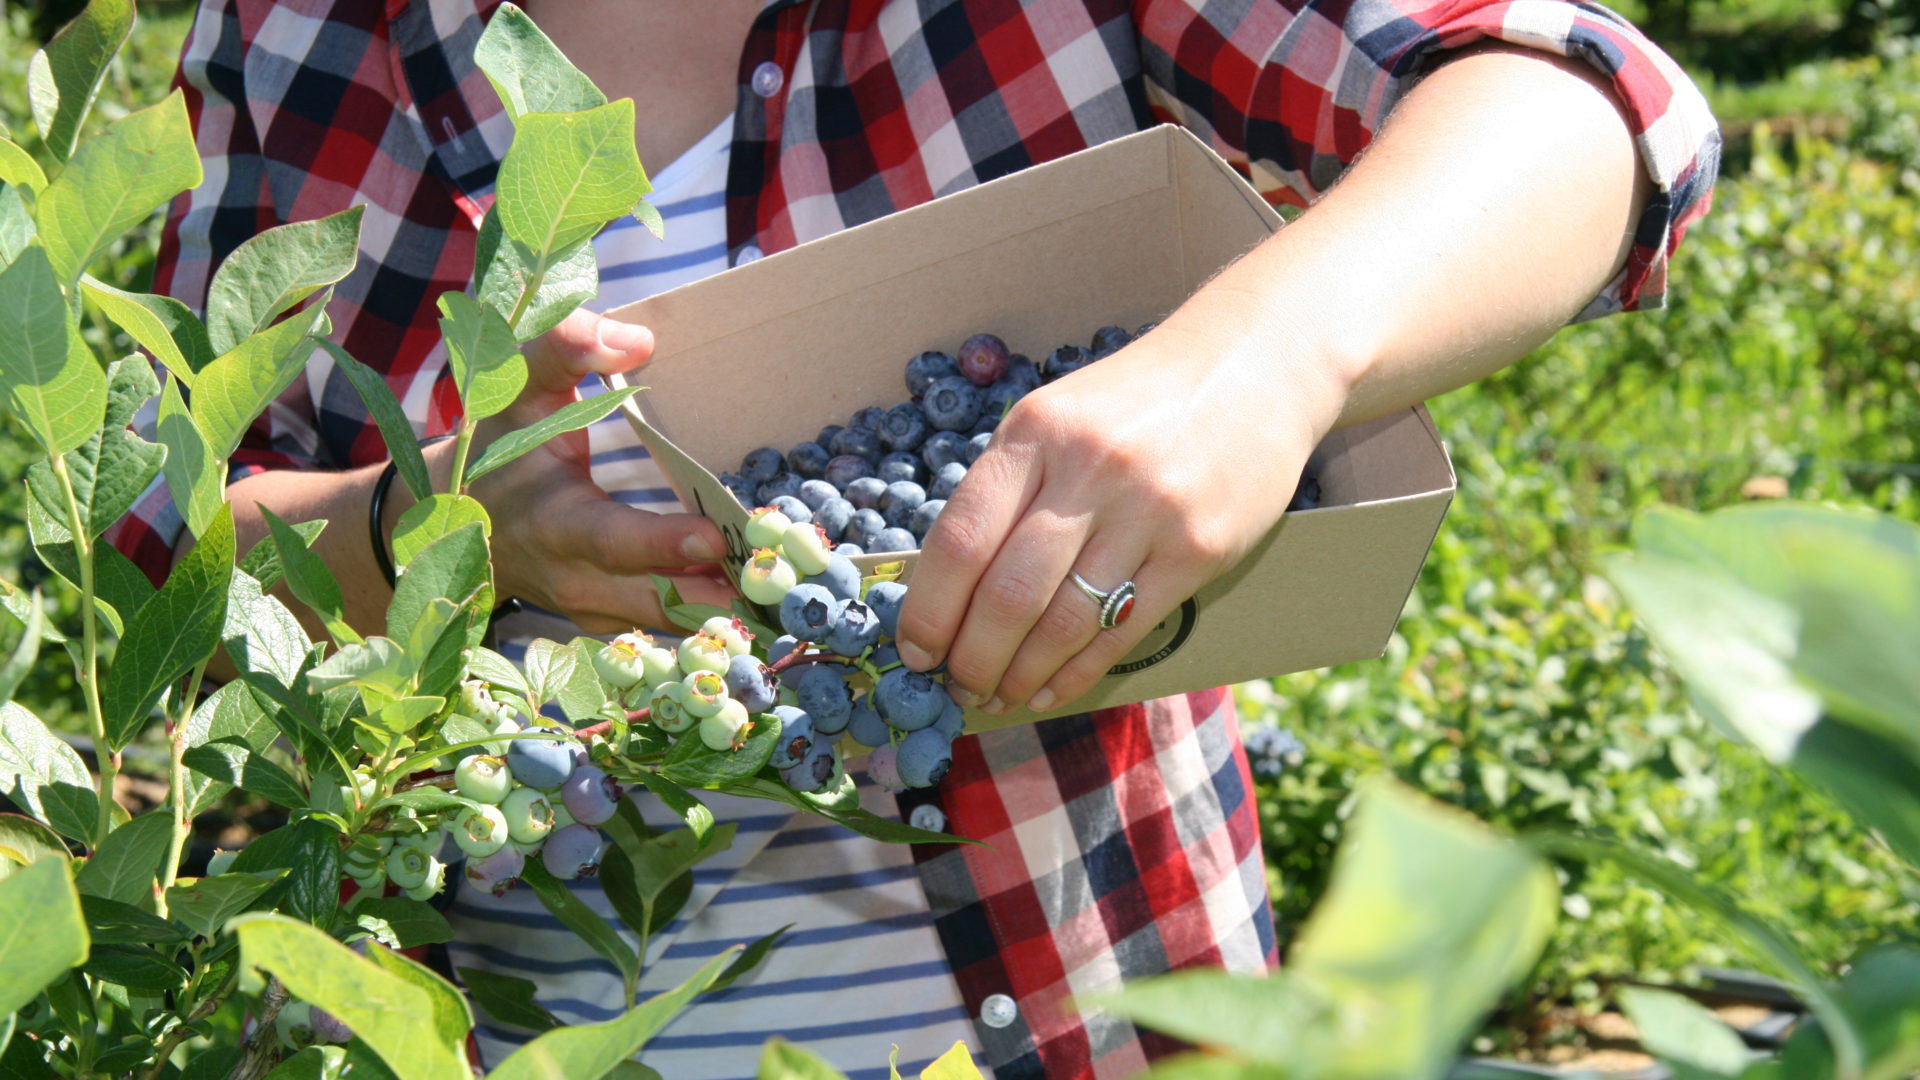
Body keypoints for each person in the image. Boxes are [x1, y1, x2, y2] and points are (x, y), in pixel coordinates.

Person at [110, 1, 1718, 1076]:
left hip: (1075, 1011)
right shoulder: (297, 31)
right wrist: (422, 525)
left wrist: (1265, 361)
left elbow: (1593, 111)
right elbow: (159, 553)